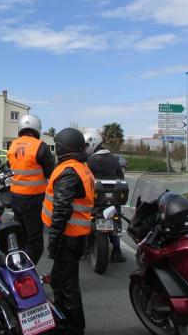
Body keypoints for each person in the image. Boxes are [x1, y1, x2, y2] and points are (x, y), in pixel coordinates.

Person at [41, 128, 94, 335]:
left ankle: (73, 328)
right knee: (59, 280)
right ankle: (63, 319)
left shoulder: (69, 172)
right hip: (75, 235)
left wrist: (53, 243)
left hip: (68, 237)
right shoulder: (81, 167)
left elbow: (62, 211)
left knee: (68, 287)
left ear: (62, 149)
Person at [6, 114, 55, 264]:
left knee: (21, 235)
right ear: (37, 128)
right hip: (33, 200)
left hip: (15, 197)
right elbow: (51, 172)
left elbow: (10, 166)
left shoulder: (12, 145)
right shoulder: (40, 146)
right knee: (35, 242)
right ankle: (25, 273)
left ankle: (17, 262)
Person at [83, 128, 127, 263]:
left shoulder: (90, 161)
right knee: (115, 220)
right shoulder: (114, 159)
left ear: (93, 143)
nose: (85, 148)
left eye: (86, 145)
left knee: (85, 220)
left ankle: (84, 249)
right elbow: (121, 177)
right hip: (113, 201)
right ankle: (117, 251)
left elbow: (83, 179)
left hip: (94, 201)